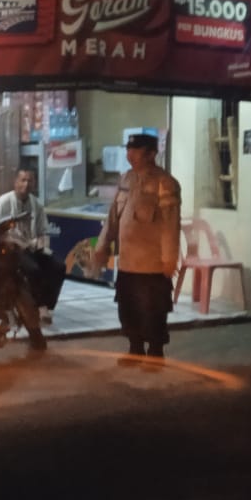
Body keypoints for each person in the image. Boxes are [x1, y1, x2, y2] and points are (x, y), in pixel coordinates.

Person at [93, 133, 182, 363]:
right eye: (128, 149)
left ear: (151, 154)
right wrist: (102, 246)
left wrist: (170, 258)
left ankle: (155, 352)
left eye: (135, 150)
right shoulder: (126, 180)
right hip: (128, 262)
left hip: (152, 263)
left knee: (154, 310)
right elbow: (113, 218)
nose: (129, 154)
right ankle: (135, 348)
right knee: (128, 308)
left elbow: (171, 225)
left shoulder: (165, 183)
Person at [0, 168, 66, 323]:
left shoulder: (36, 204)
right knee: (33, 268)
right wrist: (15, 243)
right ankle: (39, 306)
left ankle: (48, 304)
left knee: (59, 267)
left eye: (29, 181)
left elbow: (43, 230)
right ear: (15, 182)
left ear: (34, 184)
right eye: (22, 180)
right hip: (10, 249)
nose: (26, 184)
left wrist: (40, 242)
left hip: (31, 247)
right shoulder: (3, 202)